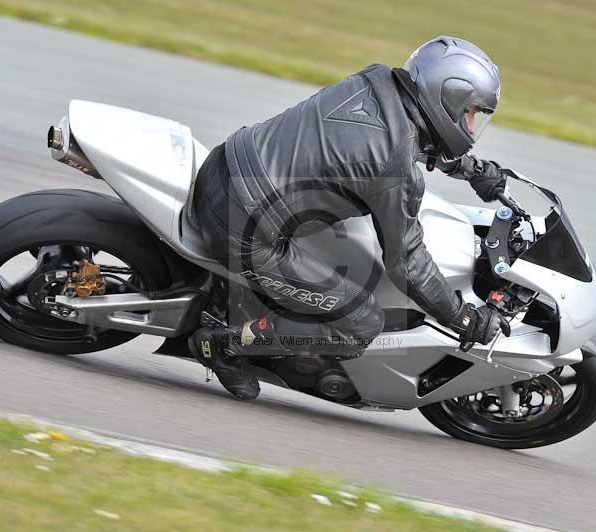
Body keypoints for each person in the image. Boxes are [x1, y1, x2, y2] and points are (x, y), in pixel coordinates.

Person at [190, 36, 510, 400]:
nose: (472, 127)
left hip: (224, 163)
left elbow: (398, 140)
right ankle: (225, 345)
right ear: (447, 99)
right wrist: (463, 318)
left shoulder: (375, 81)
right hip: (239, 228)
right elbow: (407, 265)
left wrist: (471, 169)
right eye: (470, 113)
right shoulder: (396, 170)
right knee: (361, 323)